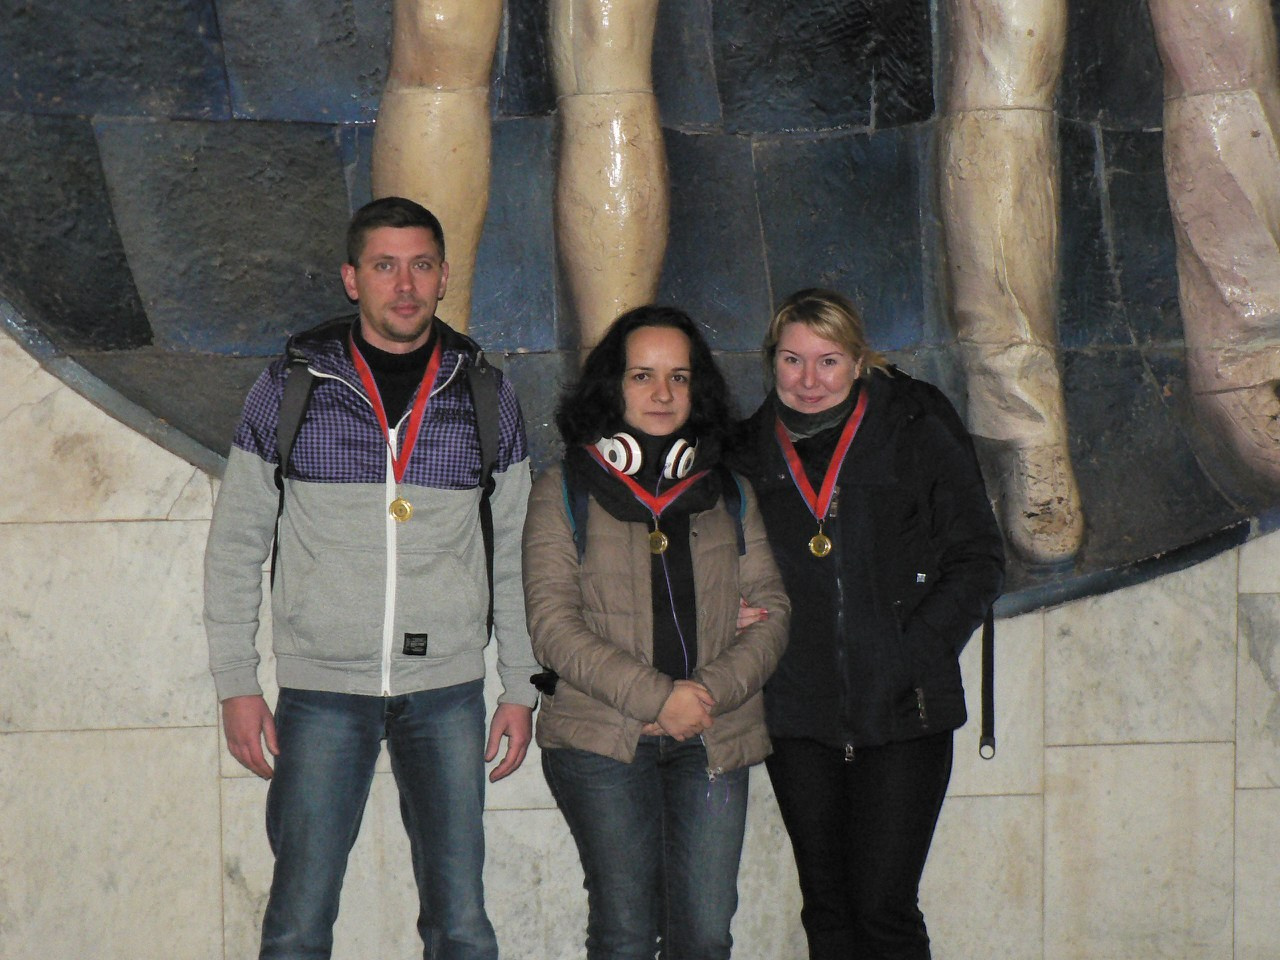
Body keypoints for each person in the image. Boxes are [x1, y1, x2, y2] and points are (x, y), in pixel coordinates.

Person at [203, 196, 538, 960]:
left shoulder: (485, 394)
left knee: (462, 926)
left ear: (445, 276)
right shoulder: (292, 385)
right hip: (322, 694)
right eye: (385, 266)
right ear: (352, 279)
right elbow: (235, 544)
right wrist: (236, 683)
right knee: (297, 926)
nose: (405, 285)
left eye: (421, 265)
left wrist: (520, 686)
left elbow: (516, 553)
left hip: (448, 692)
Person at [728, 289, 1005, 959]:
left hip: (904, 708)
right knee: (826, 910)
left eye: (828, 361)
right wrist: (724, 610)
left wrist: (910, 655)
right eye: (792, 360)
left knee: (883, 911)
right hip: (797, 714)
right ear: (771, 363)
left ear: (858, 362)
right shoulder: (745, 454)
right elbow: (709, 563)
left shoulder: (914, 429)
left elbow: (978, 559)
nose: (809, 380)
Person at [521, 305, 790, 960]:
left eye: (679, 377)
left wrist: (703, 696)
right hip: (602, 742)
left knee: (705, 936)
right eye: (642, 375)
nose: (663, 393)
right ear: (612, 386)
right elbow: (553, 627)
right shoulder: (563, 489)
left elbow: (773, 611)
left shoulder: (730, 491)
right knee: (626, 935)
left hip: (712, 737)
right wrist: (659, 698)